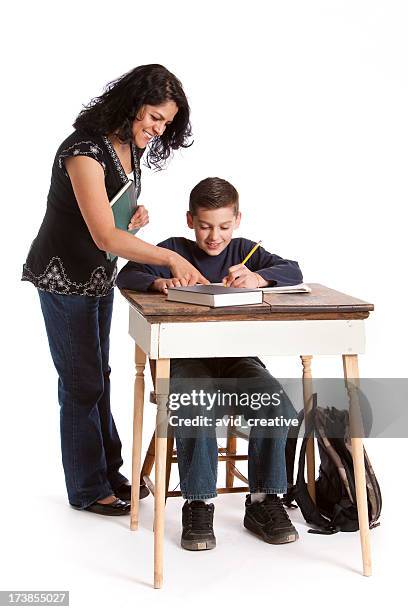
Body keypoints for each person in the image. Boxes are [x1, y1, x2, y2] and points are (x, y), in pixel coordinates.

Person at [21, 64, 209, 516]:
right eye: (152, 116)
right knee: (81, 383)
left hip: (97, 277)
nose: (157, 128)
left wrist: (133, 216)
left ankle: (108, 470)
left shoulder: (128, 146)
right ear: (130, 104)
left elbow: (107, 217)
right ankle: (87, 488)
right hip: (64, 278)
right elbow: (104, 236)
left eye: (165, 122)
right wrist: (167, 255)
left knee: (96, 377)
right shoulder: (83, 151)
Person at [116, 177, 303, 549]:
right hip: (186, 362)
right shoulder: (173, 249)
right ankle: (198, 503)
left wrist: (258, 277)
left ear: (237, 220)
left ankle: (264, 501)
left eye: (223, 226)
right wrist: (159, 283)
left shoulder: (246, 252)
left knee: (275, 403)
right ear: (190, 220)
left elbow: (293, 271)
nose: (214, 236)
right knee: (194, 403)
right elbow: (128, 274)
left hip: (238, 359)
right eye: (204, 226)